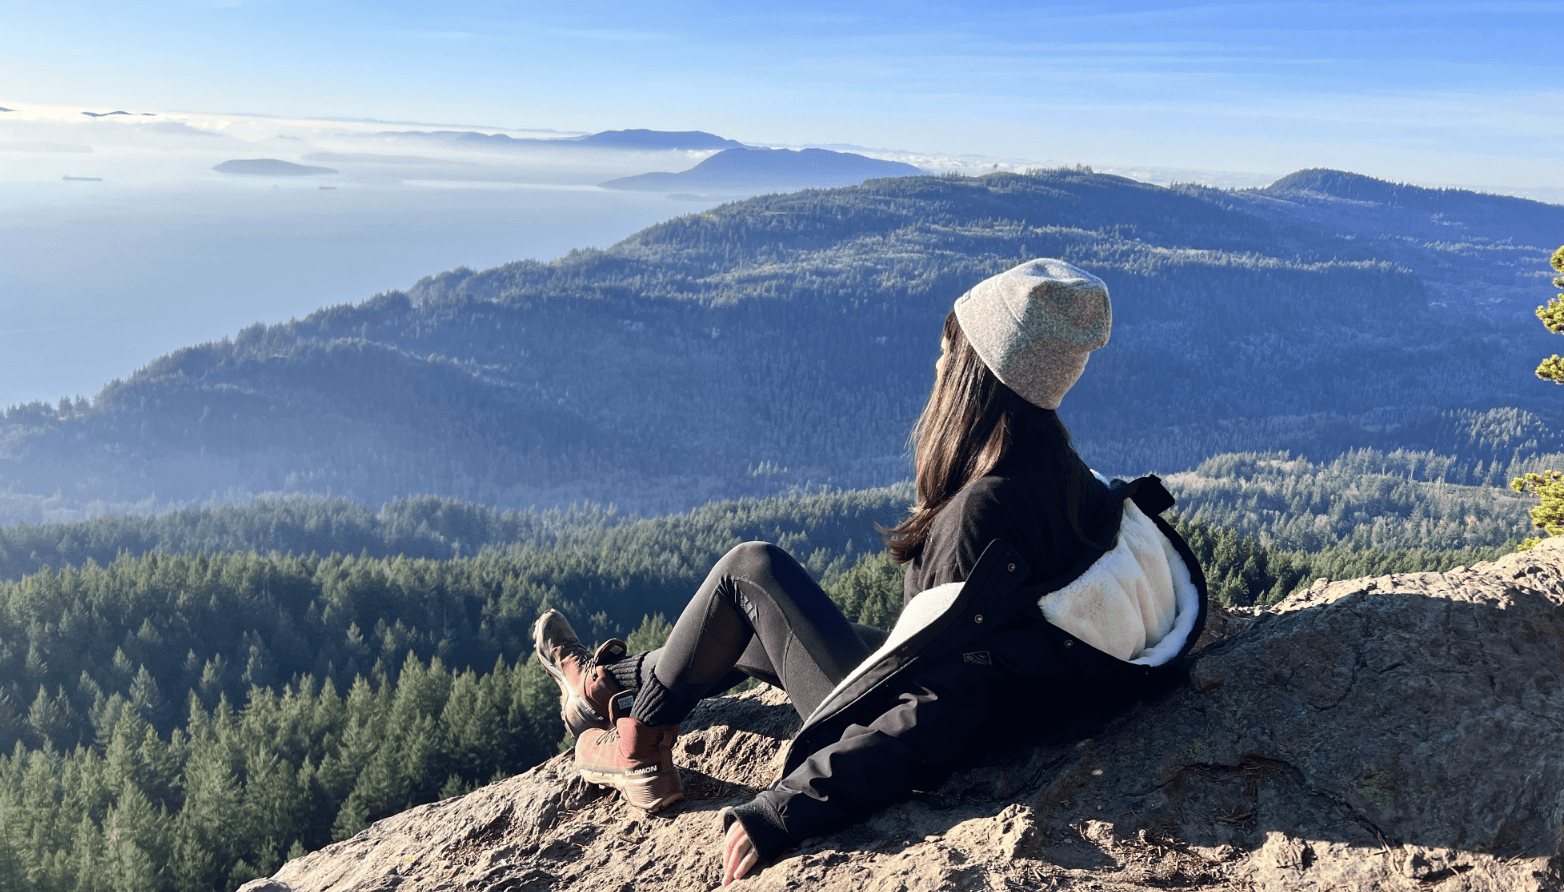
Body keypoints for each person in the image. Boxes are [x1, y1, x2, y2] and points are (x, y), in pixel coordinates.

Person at [533, 258, 1208, 885]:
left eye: (951, 348)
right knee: (754, 622)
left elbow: (934, 714)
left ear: (979, 373)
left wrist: (786, 809)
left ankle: (636, 741)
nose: (939, 361)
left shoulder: (982, 515)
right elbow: (965, 657)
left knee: (750, 571)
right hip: (1010, 696)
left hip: (967, 738)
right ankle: (607, 684)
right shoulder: (1061, 469)